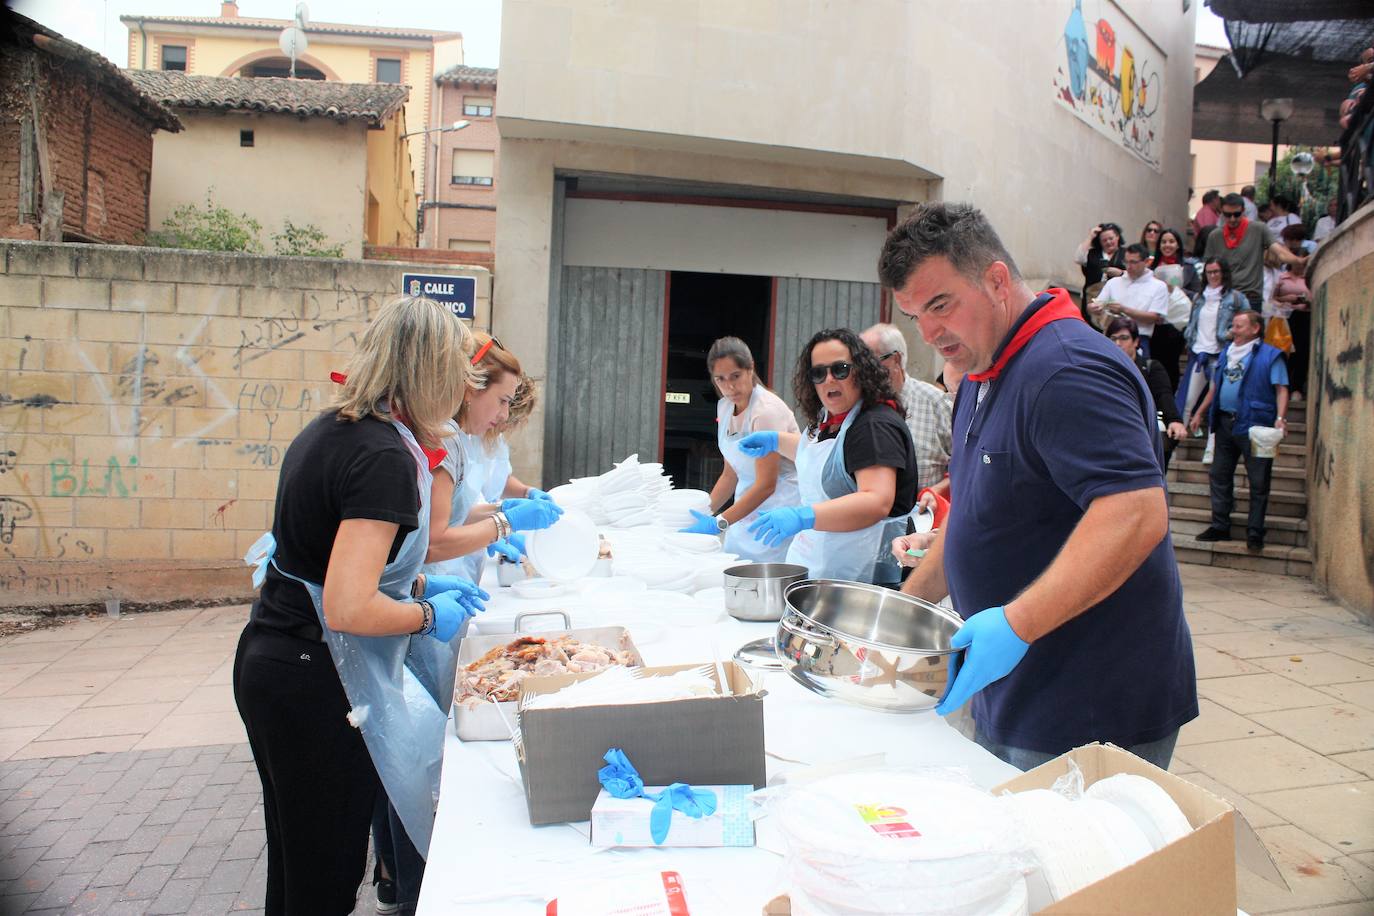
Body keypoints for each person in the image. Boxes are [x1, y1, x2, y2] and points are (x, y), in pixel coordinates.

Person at [879, 202, 1196, 770]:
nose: (929, 333)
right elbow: (974, 513)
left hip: (1087, 702)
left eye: (940, 305)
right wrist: (901, 612)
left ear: (996, 280)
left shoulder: (1065, 369)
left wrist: (1015, 624)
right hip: (1015, 688)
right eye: (914, 315)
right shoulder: (983, 371)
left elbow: (1136, 513)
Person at [235, 296, 490, 916]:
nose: (465, 385)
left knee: (298, 865)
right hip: (313, 678)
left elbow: (338, 566)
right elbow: (349, 606)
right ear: (429, 370)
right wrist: (428, 617)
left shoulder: (337, 429)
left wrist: (423, 589)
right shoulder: (382, 458)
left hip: (278, 659)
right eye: (459, 368)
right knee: (322, 874)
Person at [737, 328, 918, 586]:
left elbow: (876, 501)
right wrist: (776, 441)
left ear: (862, 370)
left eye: (840, 369)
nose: (829, 380)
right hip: (825, 568)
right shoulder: (831, 418)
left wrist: (803, 516)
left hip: (864, 580)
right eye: (818, 373)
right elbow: (832, 460)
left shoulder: (874, 427)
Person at [424, 333, 563, 585]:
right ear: (472, 388)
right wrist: (504, 522)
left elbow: (456, 513)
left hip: (452, 575)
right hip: (434, 582)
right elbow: (433, 541)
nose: (504, 416)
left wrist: (502, 508)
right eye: (502, 401)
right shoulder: (442, 440)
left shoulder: (459, 438)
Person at [679, 336, 801, 562]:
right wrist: (706, 512)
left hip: (776, 515)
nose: (730, 386)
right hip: (745, 511)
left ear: (750, 369)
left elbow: (766, 485)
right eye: (721, 379)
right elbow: (730, 473)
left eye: (735, 376)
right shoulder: (724, 407)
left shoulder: (765, 411)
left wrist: (721, 521)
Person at [1188, 310, 1289, 551]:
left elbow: (1281, 388)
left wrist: (1281, 418)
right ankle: (1220, 525)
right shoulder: (1226, 353)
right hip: (1224, 422)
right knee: (1219, 474)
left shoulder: (1270, 355)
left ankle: (1255, 532)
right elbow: (1215, 387)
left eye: (1239, 326)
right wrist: (1200, 412)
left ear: (1255, 329)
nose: (1234, 330)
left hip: (1257, 424)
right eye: (1233, 326)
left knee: (1259, 480)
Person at [861, 322, 953, 491]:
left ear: (896, 359)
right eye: (858, 363)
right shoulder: (858, 404)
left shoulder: (937, 403)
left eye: (870, 361)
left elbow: (966, 467)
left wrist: (936, 491)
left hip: (924, 513)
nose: (863, 370)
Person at [1105, 317, 1187, 469]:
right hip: (1114, 436)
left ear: (1136, 342)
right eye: (1113, 338)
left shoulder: (1151, 368)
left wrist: (1174, 420)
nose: (1118, 344)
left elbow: (1164, 394)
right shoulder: (1104, 369)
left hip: (1144, 434)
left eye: (1124, 338)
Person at [1202, 193, 1307, 309]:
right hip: (1224, 296)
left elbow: (1280, 252)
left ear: (1243, 211)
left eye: (1236, 214)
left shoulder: (1259, 229)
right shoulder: (1215, 236)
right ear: (1222, 212)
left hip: (1250, 297)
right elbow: (1208, 268)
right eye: (1228, 215)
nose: (1232, 219)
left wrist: (1299, 260)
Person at [1177, 257, 1245, 422]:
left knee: (1217, 401)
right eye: (1209, 272)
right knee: (1187, 400)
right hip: (1199, 353)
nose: (1213, 276)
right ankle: (1175, 441)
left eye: (1216, 272)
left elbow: (1247, 321)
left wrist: (1231, 334)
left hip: (1221, 353)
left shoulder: (1236, 298)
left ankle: (1212, 444)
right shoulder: (1199, 298)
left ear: (1223, 274)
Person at [1088, 243, 1169, 359]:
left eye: (1134, 262)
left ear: (1146, 262)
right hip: (1111, 337)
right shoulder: (1114, 282)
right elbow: (1097, 304)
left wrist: (1124, 309)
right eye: (1126, 262)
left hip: (1140, 338)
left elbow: (1155, 317)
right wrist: (1093, 308)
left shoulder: (1158, 286)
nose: (1129, 266)